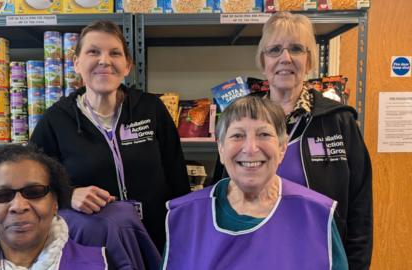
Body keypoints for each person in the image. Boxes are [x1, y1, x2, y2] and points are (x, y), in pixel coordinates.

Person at [214, 11, 372, 269]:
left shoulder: (339, 121)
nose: (285, 58)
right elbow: (220, 195)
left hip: (319, 258)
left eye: (296, 49)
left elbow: (360, 209)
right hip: (251, 257)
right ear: (263, 61)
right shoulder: (240, 121)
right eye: (275, 50)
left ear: (309, 60)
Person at [30, 20, 190, 252]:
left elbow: (177, 176)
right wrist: (68, 195)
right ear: (76, 63)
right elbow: (32, 185)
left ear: (127, 66)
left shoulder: (151, 109)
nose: (104, 60)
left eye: (114, 53)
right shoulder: (56, 119)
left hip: (158, 240)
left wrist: (183, 233)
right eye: (93, 52)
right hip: (91, 247)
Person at [163, 96, 348, 269]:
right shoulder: (183, 218)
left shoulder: (317, 216)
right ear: (220, 147)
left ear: (282, 148)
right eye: (237, 135)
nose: (250, 148)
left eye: (264, 134)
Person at [0, 144, 107, 269]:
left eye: (34, 192)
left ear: (55, 202)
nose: (18, 206)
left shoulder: (102, 264)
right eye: (2, 195)